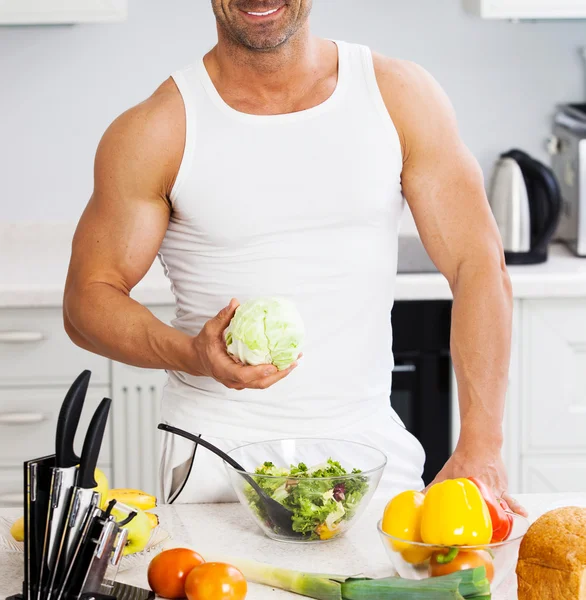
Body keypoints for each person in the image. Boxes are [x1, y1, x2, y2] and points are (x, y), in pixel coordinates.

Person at [63, 0, 525, 513]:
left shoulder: (399, 96)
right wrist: (192, 354)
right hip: (219, 452)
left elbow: (478, 264)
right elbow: (87, 302)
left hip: (369, 447)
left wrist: (482, 446)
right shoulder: (159, 128)